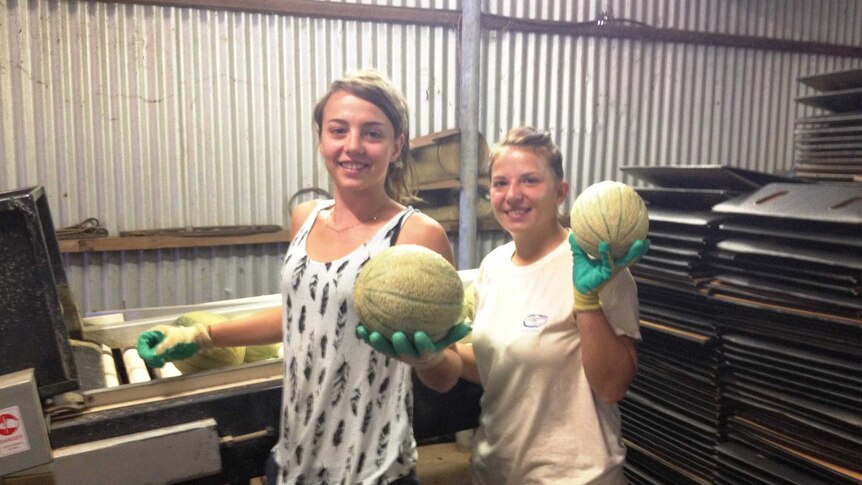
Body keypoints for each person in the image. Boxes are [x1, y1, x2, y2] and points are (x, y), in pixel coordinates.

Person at [137, 68, 468, 484]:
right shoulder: (305, 217)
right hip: (294, 459)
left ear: (397, 146)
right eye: (338, 130)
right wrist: (201, 337)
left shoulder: (417, 234)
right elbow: (301, 315)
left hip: (372, 468)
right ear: (321, 139)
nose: (352, 146)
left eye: (372, 133)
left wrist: (430, 358)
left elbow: (448, 373)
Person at [360, 126, 649, 484]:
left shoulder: (599, 269)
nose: (513, 195)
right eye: (500, 183)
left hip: (577, 476)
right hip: (495, 470)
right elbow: (494, 365)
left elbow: (612, 386)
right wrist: (432, 356)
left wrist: (587, 300)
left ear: (560, 191)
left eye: (529, 180)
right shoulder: (493, 267)